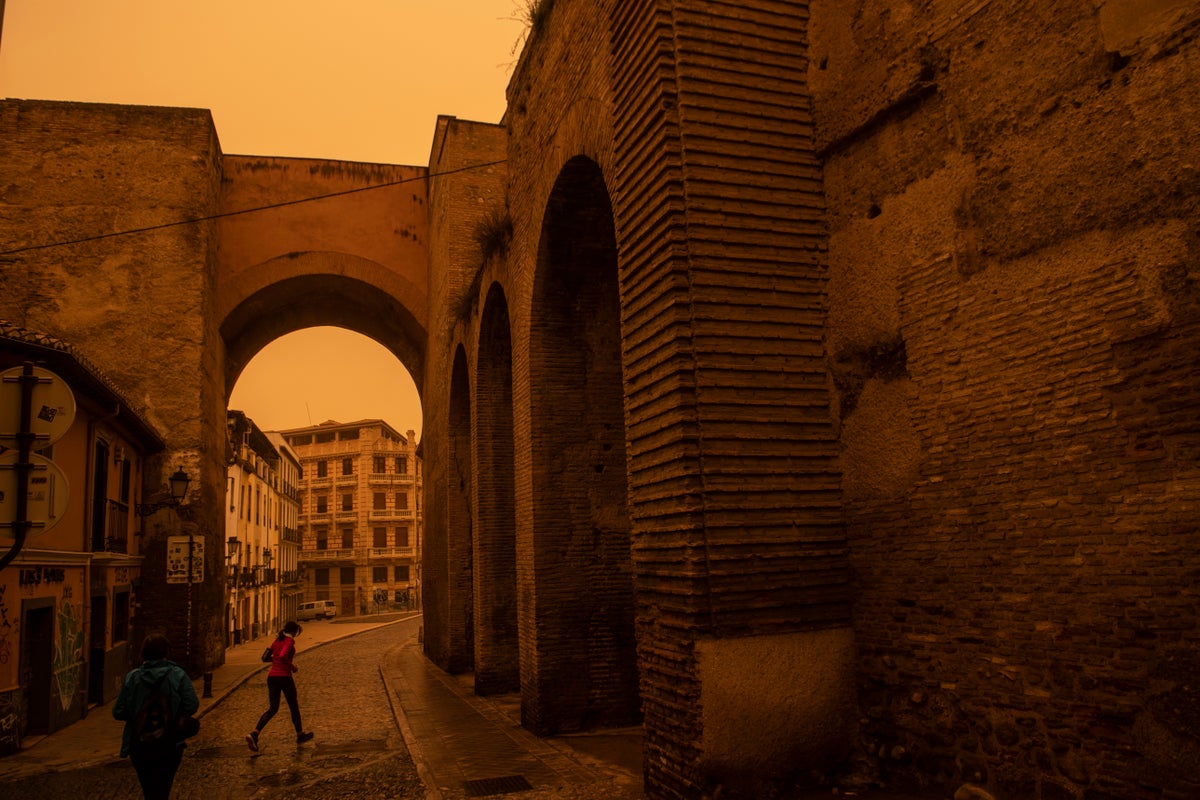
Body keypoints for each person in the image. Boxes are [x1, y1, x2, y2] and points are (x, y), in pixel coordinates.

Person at [113, 632, 199, 800]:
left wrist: (138, 713)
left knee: (149, 790)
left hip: (140, 743)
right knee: (163, 788)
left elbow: (118, 711)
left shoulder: (132, 678)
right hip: (170, 742)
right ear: (166, 652)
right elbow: (192, 704)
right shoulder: (177, 675)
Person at [246, 620, 314, 751]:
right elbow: (282, 656)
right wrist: (292, 666)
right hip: (284, 677)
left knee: (273, 708)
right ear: (293, 632)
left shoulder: (277, 640)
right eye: (296, 633)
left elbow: (265, 657)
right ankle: (300, 734)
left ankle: (254, 733)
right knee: (293, 706)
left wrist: (275, 659)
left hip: (272, 677)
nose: (295, 635)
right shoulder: (289, 641)